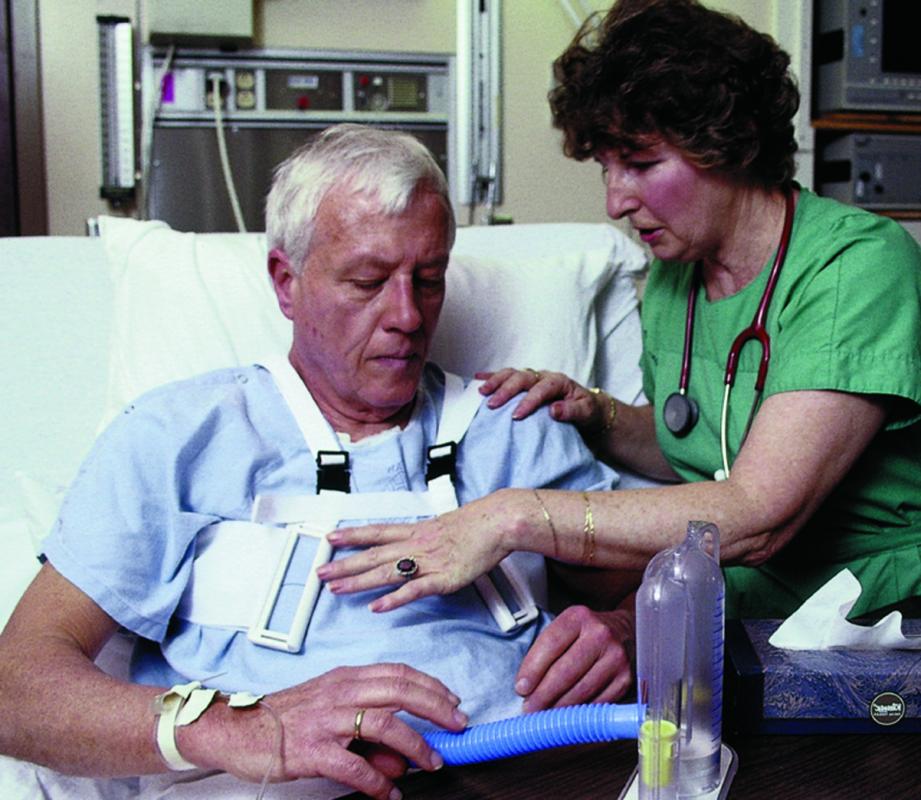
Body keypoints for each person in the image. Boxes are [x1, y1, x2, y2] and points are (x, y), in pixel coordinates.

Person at [0, 124, 631, 800]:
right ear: (285, 282)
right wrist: (237, 728)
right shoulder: (176, 437)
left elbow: (661, 587)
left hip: (514, 773)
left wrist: (627, 633)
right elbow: (17, 688)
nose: (407, 316)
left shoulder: (511, 427)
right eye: (366, 281)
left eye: (427, 279)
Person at [317, 0, 921, 631]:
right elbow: (707, 442)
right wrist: (597, 415)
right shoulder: (675, 271)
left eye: (640, 164)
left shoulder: (857, 268)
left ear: (728, 141)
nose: (615, 201)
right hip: (732, 605)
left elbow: (759, 511)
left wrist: (511, 517)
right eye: (606, 167)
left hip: (871, 623)